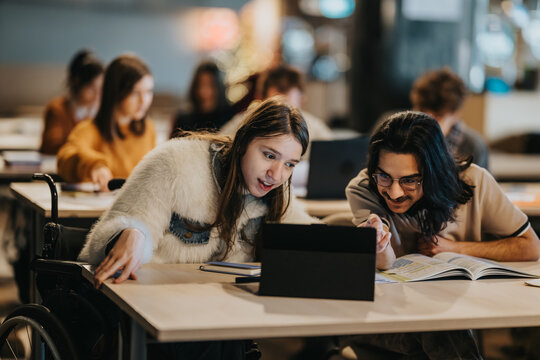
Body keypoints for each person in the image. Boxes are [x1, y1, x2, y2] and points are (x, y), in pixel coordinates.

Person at [77, 97, 317, 359]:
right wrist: (132, 233)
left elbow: (310, 237)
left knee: (228, 340)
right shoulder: (178, 164)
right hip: (149, 312)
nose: (277, 174)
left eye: (290, 164)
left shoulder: (275, 192)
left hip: (215, 318)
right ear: (243, 143)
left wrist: (362, 236)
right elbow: (122, 225)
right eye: (269, 155)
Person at [342, 110, 540, 359]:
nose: (393, 192)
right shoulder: (363, 188)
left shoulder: (473, 181)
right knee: (440, 329)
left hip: (453, 311)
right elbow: (386, 262)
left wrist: (455, 248)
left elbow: (531, 247)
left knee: (442, 326)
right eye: (384, 176)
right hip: (384, 317)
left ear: (434, 172)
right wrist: (378, 243)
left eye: (410, 180)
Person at [57, 54, 157, 191]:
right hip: (99, 210)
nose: (144, 101)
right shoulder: (89, 129)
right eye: (135, 93)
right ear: (116, 92)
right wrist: (94, 165)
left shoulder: (148, 129)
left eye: (148, 92)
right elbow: (64, 159)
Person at [220, 65, 333, 147]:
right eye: (277, 110)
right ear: (261, 100)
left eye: (291, 109)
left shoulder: (315, 128)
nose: (286, 117)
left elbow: (334, 154)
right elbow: (217, 146)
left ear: (302, 101)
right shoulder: (243, 123)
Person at [410, 67, 490, 169]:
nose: (427, 123)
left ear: (456, 114)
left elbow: (480, 184)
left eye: (438, 117)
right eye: (422, 114)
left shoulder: (474, 147)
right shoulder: (403, 137)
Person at [39, 49, 104, 155]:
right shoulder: (58, 109)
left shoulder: (100, 111)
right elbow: (51, 146)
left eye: (100, 89)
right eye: (92, 88)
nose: (98, 95)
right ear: (76, 83)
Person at [169, 61, 234, 137]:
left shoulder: (229, 117)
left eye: (210, 85)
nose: (204, 91)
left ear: (219, 86)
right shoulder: (183, 119)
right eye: (201, 84)